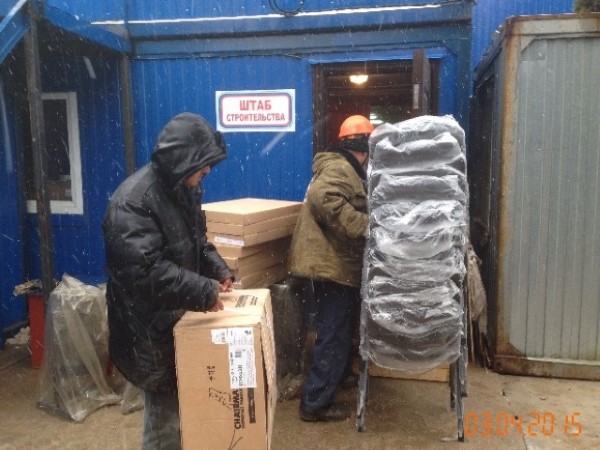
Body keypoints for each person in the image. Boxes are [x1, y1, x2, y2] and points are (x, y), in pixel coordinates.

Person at [102, 112, 234, 449]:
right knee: (164, 422)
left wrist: (218, 270)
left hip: (173, 319)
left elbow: (196, 241)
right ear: (184, 159)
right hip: (147, 328)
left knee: (181, 413)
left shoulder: (183, 188)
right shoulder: (132, 203)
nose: (208, 170)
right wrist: (203, 290)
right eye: (204, 164)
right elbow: (144, 271)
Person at [288, 114, 374, 422]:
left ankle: (335, 378)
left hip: (333, 263)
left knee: (340, 326)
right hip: (329, 264)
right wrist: (366, 225)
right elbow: (322, 197)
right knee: (333, 330)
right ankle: (315, 403)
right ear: (363, 147)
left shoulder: (343, 167)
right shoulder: (340, 168)